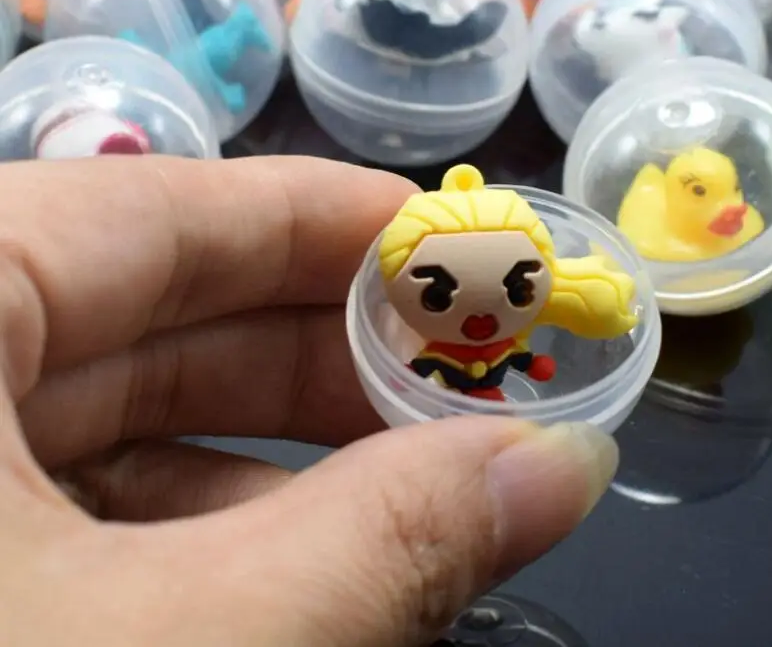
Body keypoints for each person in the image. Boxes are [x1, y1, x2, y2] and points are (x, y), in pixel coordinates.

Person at [0, 154, 618, 645]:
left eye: (517, 287)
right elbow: (423, 363)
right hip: (447, 385)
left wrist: (527, 360)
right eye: (438, 294)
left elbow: (521, 350)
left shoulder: (509, 331)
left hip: (482, 383)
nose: (481, 312)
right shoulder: (422, 344)